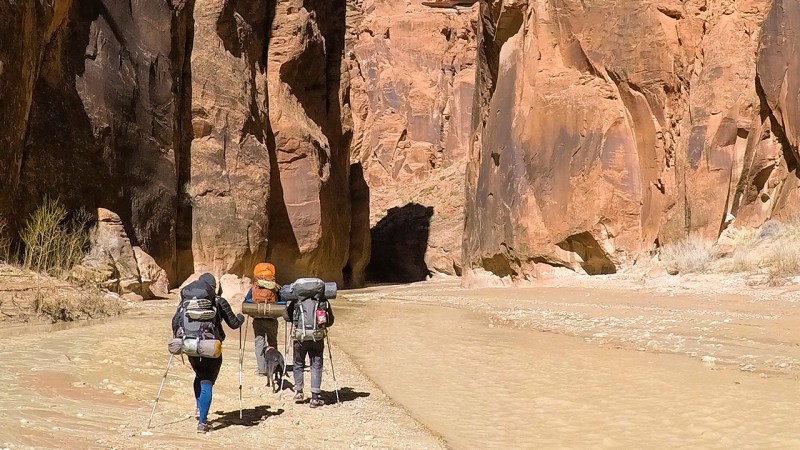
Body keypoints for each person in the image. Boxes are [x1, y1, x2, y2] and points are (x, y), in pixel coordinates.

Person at [172, 273, 244, 433]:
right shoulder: (219, 301)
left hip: (190, 345)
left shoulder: (185, 302)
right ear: (213, 288)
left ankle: (199, 408)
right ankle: (203, 423)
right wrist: (241, 318)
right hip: (211, 347)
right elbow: (234, 324)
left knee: (198, 375)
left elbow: (175, 322)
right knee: (207, 381)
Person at [283, 283, 334, 408]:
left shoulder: (297, 300)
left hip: (300, 338)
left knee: (298, 363)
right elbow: (330, 321)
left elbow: (286, 316)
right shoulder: (322, 301)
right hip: (317, 338)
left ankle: (299, 392)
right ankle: (315, 398)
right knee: (316, 365)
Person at [243, 263, 281, 380]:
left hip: (258, 319)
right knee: (272, 343)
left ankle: (261, 370)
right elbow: (282, 301)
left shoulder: (255, 287)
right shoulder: (275, 287)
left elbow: (246, 301)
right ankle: (274, 366)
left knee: (259, 343)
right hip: (272, 319)